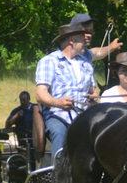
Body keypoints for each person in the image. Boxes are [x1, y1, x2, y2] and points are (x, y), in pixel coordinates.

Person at [36, 22, 98, 163]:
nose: (86, 40)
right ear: (72, 40)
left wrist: (95, 99)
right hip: (57, 116)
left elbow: (93, 92)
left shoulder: (86, 63)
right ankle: (58, 174)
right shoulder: (49, 61)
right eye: (82, 38)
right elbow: (40, 94)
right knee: (60, 132)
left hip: (84, 116)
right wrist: (58, 103)